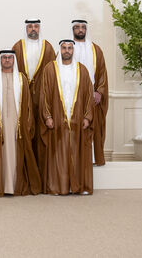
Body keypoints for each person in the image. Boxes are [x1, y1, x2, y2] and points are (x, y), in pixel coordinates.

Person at [0, 50, 41, 197]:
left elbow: (29, 105)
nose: (6, 60)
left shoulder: (21, 79)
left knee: (15, 153)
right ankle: (2, 185)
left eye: (9, 58)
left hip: (17, 126)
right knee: (1, 152)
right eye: (4, 58)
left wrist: (28, 125)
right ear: (0, 60)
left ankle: (14, 186)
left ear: (14, 60)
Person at [39, 40, 94, 195]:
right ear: (60, 50)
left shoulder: (82, 70)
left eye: (70, 48)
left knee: (77, 153)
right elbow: (44, 94)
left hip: (77, 118)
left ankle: (77, 186)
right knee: (59, 153)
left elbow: (89, 95)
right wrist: (47, 116)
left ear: (73, 50)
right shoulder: (50, 69)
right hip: (57, 118)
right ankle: (58, 186)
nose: (67, 51)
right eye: (64, 48)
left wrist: (87, 117)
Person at [12, 19, 56, 165]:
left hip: (43, 97)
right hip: (22, 96)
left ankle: (41, 166)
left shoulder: (48, 48)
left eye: (36, 26)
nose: (33, 29)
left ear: (39, 28)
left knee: (42, 129)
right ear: (26, 28)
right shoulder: (17, 47)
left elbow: (53, 74)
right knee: (24, 127)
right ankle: (24, 166)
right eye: (30, 26)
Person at [71, 19, 109, 166]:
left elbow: (102, 74)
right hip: (72, 97)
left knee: (92, 127)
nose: (80, 30)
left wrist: (99, 91)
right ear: (72, 30)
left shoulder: (96, 49)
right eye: (77, 28)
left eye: (83, 27)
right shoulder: (66, 49)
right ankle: (74, 158)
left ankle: (92, 159)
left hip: (92, 97)